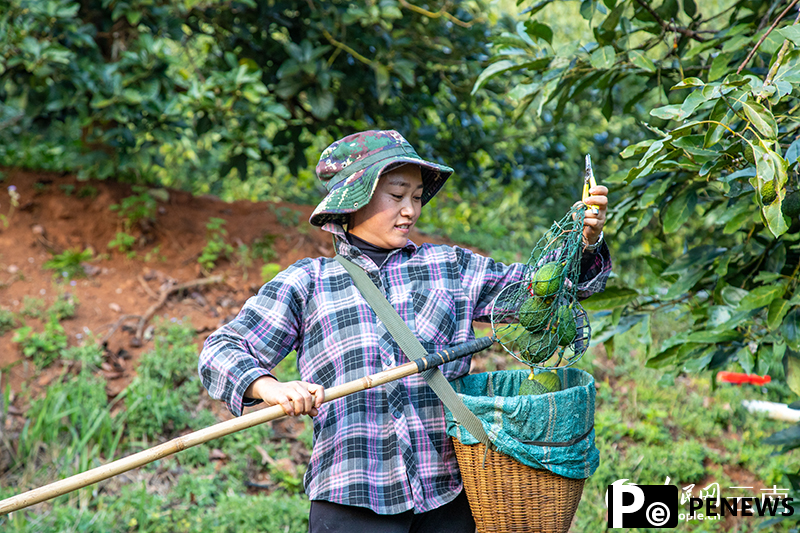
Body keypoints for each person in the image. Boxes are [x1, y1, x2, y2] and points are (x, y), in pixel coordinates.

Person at [198, 130, 611, 532]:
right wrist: (268, 387)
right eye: (396, 196)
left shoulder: (450, 268)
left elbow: (545, 292)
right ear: (353, 200)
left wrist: (584, 243)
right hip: (351, 499)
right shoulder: (308, 283)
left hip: (448, 496)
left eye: (416, 197)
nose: (410, 209)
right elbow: (222, 350)